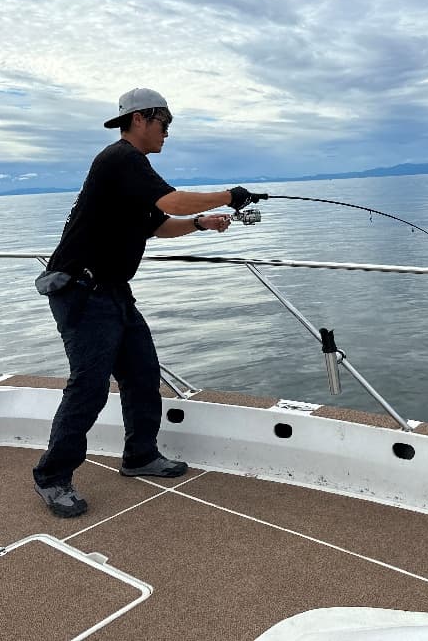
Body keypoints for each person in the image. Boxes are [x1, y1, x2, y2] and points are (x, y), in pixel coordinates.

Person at [32, 87, 265, 518]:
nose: (167, 133)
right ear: (140, 119)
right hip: (83, 294)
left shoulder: (132, 171)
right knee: (89, 386)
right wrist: (228, 197)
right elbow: (171, 200)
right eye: (164, 124)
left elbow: (158, 225)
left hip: (114, 292)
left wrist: (199, 223)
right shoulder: (119, 159)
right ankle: (52, 476)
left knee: (142, 375)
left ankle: (139, 456)